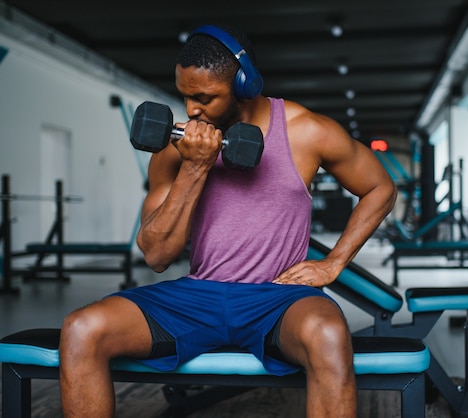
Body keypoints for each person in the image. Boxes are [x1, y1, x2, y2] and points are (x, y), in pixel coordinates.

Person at [59, 24, 396, 418]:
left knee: (329, 335)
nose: (191, 111)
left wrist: (334, 261)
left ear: (244, 86)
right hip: (197, 296)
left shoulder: (307, 131)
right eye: (185, 96)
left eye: (204, 98)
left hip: (278, 299)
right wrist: (194, 167)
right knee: (83, 330)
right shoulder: (175, 147)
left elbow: (380, 188)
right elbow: (157, 256)